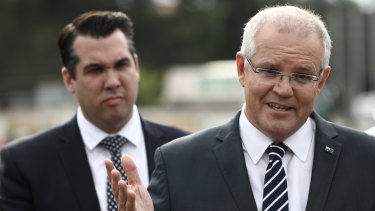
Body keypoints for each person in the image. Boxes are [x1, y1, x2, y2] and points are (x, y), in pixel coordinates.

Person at [106, 5, 375, 211]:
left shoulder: (365, 159)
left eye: (302, 76)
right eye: (269, 71)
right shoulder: (179, 165)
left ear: (322, 81)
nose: (283, 89)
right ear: (241, 69)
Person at [0, 11, 189, 211]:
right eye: (96, 70)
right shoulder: (25, 163)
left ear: (136, 67)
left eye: (121, 65)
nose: (113, 81)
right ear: (69, 80)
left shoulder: (186, 153)